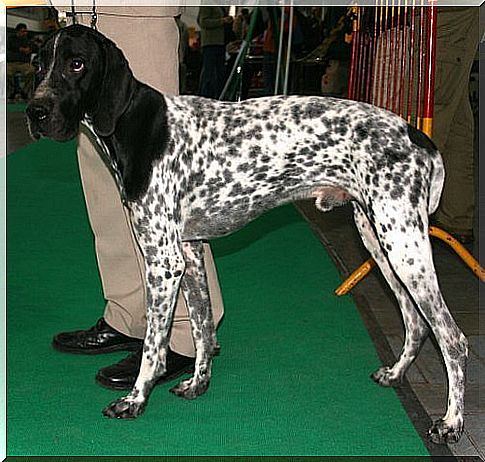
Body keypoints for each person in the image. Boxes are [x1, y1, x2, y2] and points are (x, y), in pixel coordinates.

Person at [51, 6, 225, 391]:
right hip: (78, 9)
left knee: (165, 192)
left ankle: (182, 335)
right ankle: (128, 314)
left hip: (134, 11)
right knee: (106, 181)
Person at [431, 7, 480, 244]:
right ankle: (456, 217)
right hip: (460, 9)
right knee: (452, 110)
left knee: (428, 110)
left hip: (447, 10)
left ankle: (407, 213)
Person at [197, 6, 233, 99]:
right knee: (209, 73)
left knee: (218, 73)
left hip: (219, 43)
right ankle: (205, 96)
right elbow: (203, 21)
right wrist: (222, 21)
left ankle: (218, 96)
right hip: (210, 43)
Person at [7, 23, 35, 100]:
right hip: (11, 63)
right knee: (6, 73)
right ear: (18, 31)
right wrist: (22, 49)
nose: (25, 33)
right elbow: (12, 45)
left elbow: (33, 47)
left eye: (25, 31)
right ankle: (11, 93)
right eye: (23, 31)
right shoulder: (11, 39)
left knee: (31, 71)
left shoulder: (28, 40)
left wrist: (29, 49)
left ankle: (25, 92)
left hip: (24, 64)